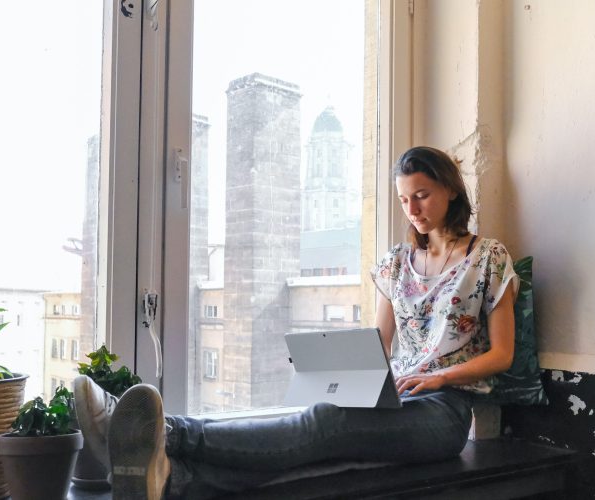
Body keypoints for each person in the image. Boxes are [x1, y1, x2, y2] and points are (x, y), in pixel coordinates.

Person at [74, 145, 518, 499]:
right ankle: (175, 482)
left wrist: (439, 378)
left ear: (451, 191)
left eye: (421, 195)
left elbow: (502, 354)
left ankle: (161, 431)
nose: (412, 209)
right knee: (316, 439)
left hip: (446, 413)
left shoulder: (488, 257)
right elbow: (380, 345)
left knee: (324, 427)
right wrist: (336, 371)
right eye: (404, 199)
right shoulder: (395, 264)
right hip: (397, 398)